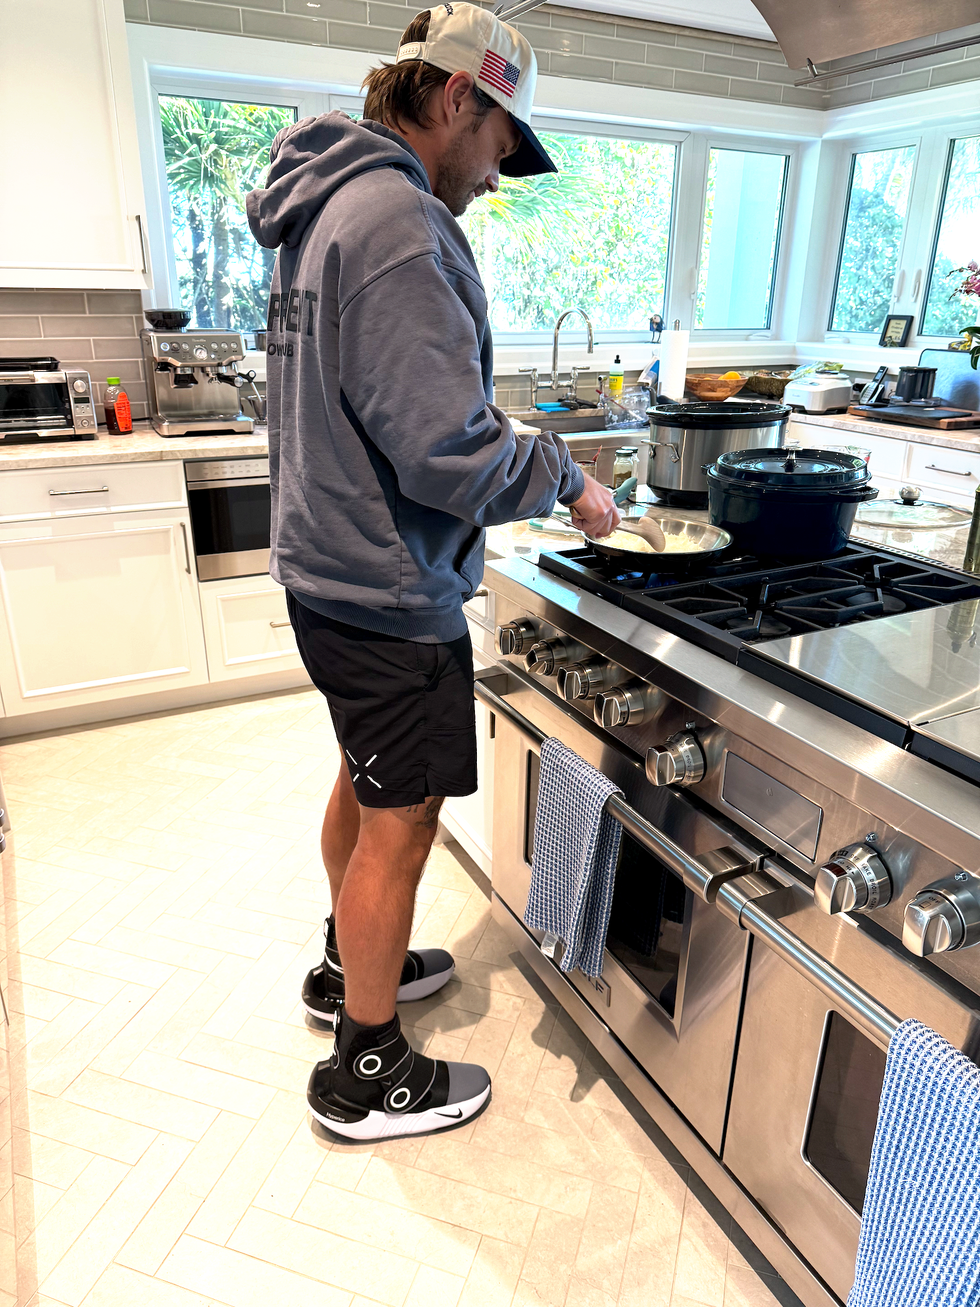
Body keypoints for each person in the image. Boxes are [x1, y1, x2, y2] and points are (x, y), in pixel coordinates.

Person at [246, 1, 619, 1143]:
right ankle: (367, 1069)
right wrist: (564, 475)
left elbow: (404, 406)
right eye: (504, 138)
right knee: (400, 819)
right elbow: (445, 453)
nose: (501, 172)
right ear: (458, 96)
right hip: (383, 586)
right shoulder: (399, 223)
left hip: (328, 567)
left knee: (364, 782)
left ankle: (342, 960)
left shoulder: (324, 204)